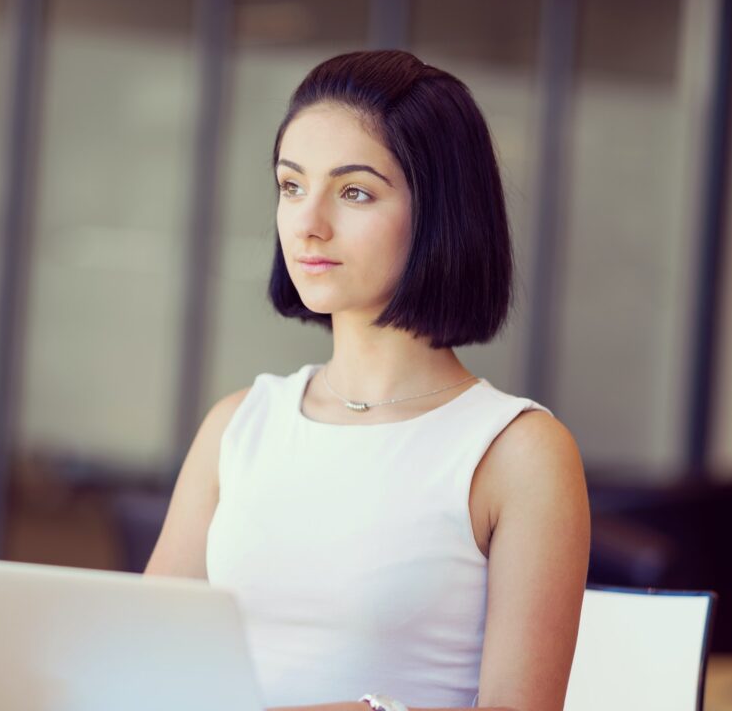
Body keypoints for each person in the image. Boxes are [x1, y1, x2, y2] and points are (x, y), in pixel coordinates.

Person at [145, 49, 590, 711]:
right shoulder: (239, 423)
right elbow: (140, 659)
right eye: (291, 186)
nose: (308, 221)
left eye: (354, 191)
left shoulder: (519, 453)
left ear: (440, 214)